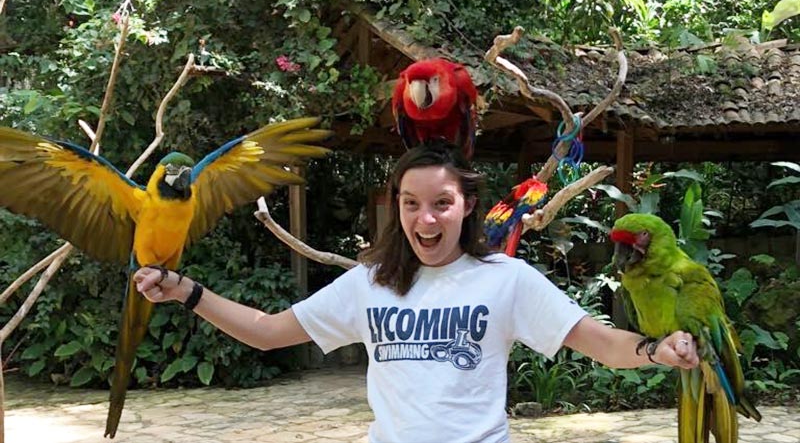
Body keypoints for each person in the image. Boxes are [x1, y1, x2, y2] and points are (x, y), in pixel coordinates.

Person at [134, 142, 699, 443]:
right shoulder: (368, 283)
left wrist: (657, 350)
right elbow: (266, 332)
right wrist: (186, 290)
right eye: (411, 204)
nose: (425, 219)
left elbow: (599, 343)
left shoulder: (506, 280)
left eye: (441, 204)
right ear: (396, 207)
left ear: (468, 207)